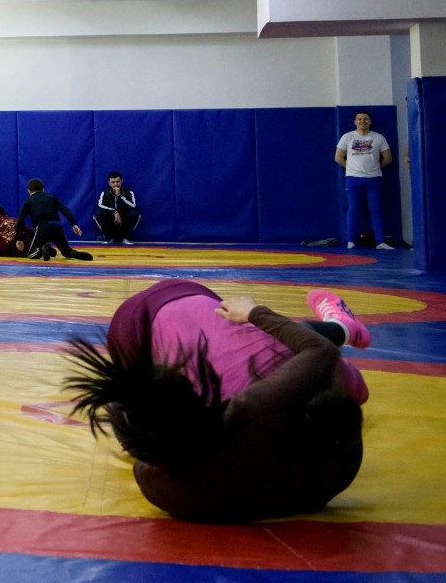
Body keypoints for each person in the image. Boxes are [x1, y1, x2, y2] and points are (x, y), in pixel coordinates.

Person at [62, 279, 371, 523]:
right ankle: (341, 328)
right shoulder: (248, 413)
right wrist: (254, 312)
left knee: (261, 347)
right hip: (322, 463)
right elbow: (320, 352)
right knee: (262, 343)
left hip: (314, 468)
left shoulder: (155, 483)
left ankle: (340, 330)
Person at [335, 111, 396, 249]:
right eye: (359, 119)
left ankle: (380, 242)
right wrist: (352, 168)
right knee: (354, 209)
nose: (362, 121)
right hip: (353, 179)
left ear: (370, 121)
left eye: (365, 119)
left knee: (376, 209)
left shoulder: (378, 137)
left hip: (374, 179)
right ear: (355, 122)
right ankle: (351, 241)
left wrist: (374, 168)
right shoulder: (347, 137)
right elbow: (338, 157)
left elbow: (388, 158)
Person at [19, 178, 93, 261]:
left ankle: (42, 249)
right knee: (67, 252)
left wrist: (19, 238)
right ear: (43, 189)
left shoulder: (28, 202)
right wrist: (73, 224)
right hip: (57, 226)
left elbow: (21, 220)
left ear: (29, 191)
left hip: (43, 227)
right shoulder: (51, 197)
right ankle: (73, 253)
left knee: (31, 254)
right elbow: (64, 210)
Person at [93, 171, 141, 244]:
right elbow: (100, 206)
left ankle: (126, 239)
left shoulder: (128, 192)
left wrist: (120, 196)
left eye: (118, 181)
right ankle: (109, 239)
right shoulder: (105, 193)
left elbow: (133, 205)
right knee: (98, 214)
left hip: (124, 221)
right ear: (109, 183)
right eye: (113, 182)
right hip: (111, 221)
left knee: (135, 214)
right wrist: (114, 212)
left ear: (122, 181)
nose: (115, 184)